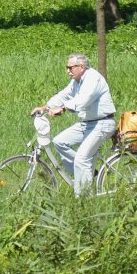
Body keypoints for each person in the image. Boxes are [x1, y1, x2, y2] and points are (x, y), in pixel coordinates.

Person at [30, 53, 116, 197]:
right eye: (67, 67)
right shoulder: (77, 81)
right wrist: (45, 107)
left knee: (81, 159)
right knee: (59, 141)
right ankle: (85, 175)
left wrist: (63, 109)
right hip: (87, 123)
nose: (67, 71)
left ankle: (83, 199)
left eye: (70, 68)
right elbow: (63, 95)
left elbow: (83, 100)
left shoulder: (92, 78)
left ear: (81, 67)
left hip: (103, 123)